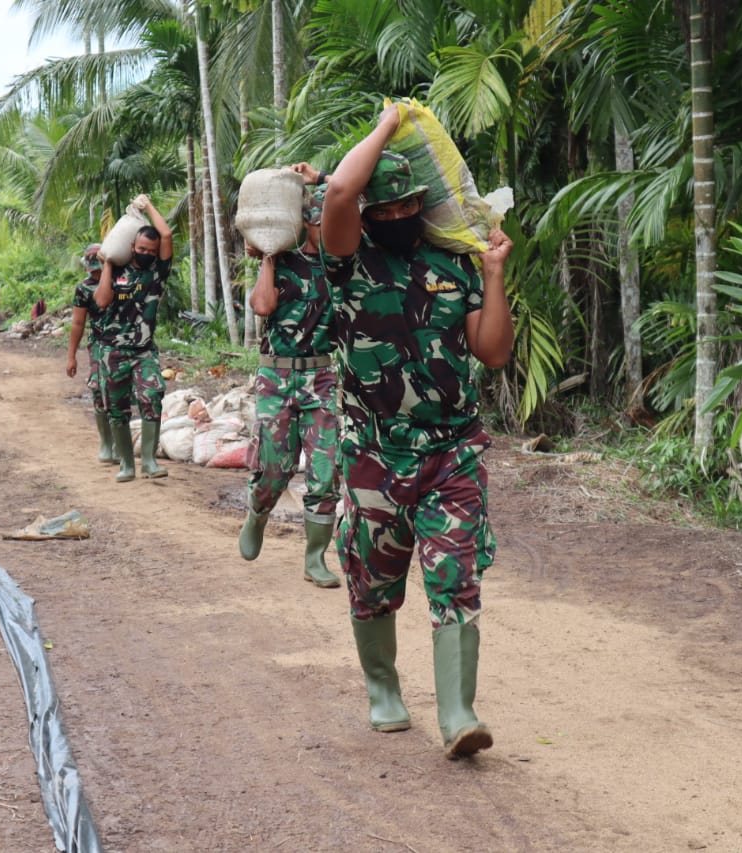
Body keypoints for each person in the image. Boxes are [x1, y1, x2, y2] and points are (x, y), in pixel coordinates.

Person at [320, 108, 514, 759]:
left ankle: (459, 713)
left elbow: (491, 353)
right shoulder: (348, 260)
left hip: (450, 454)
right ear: (373, 211)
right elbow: (342, 193)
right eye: (388, 205)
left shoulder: (451, 265)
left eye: (411, 202)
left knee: (455, 576)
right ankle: (383, 689)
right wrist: (382, 125)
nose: (399, 213)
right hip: (375, 457)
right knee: (371, 581)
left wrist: (491, 272)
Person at [238, 175, 341, 589]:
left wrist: (321, 179)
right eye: (315, 221)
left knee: (324, 470)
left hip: (321, 375)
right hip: (276, 374)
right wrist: (267, 256)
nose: (321, 228)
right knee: (273, 467)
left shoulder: (340, 265)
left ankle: (314, 558)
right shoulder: (281, 260)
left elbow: (360, 193)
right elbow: (263, 306)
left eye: (324, 220)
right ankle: (257, 514)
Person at [93, 196, 173, 482]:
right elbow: (102, 302)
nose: (146, 253)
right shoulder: (116, 270)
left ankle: (149, 462)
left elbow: (165, 234)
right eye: (141, 249)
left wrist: (148, 205)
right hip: (112, 351)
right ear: (131, 248)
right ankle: (127, 464)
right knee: (117, 409)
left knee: (152, 396)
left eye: (151, 250)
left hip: (143, 350)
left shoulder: (157, 273)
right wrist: (107, 266)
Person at [66, 244, 117, 465]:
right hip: (99, 343)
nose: (96, 273)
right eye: (93, 269)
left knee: (120, 393)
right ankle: (106, 443)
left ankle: (119, 442)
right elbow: (78, 323)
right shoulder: (84, 289)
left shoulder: (122, 281)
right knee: (98, 388)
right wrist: (71, 356)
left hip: (125, 343)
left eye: (99, 267)